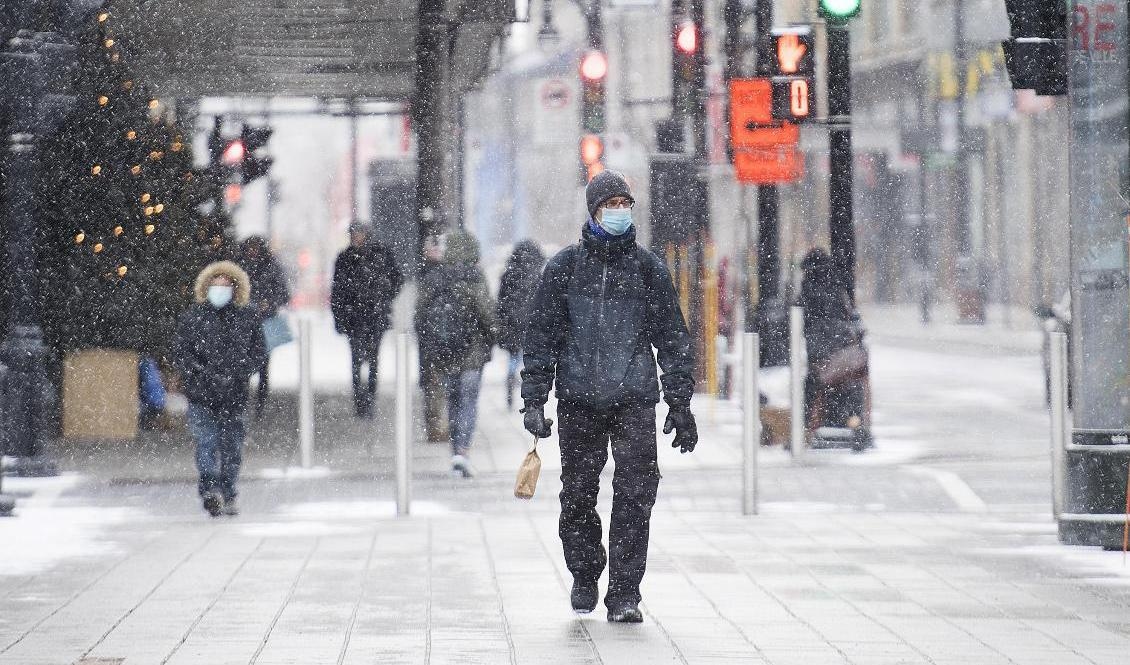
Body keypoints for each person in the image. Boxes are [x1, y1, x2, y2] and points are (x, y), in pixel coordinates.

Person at [520, 170, 697, 623]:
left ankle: (624, 592)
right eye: (610, 204)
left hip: (634, 400)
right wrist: (535, 400)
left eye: (625, 203)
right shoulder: (563, 269)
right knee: (578, 495)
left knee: (636, 493)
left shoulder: (647, 269)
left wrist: (679, 403)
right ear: (594, 211)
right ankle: (584, 572)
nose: (619, 211)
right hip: (579, 401)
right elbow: (541, 338)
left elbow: (672, 338)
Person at [174, 261, 266, 517]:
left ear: (235, 288)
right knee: (206, 442)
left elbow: (258, 352)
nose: (220, 289)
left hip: (234, 395)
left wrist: (239, 372)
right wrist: (199, 374)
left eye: (226, 285)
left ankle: (228, 492)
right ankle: (210, 489)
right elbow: (182, 353)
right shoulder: (194, 317)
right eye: (216, 284)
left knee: (231, 447)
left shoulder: (247, 317)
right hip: (201, 394)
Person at [415, 231, 498, 478]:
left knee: (452, 401)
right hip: (472, 354)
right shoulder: (475, 278)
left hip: (444, 353)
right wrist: (494, 334)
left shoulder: (435, 277)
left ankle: (455, 453)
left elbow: (419, 315)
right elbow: (487, 314)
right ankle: (463, 451)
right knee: (468, 402)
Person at [798, 248, 871, 449]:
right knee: (851, 388)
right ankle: (856, 425)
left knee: (811, 387)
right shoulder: (838, 284)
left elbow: (802, 319)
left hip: (823, 352)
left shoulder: (809, 286)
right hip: (845, 350)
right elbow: (851, 316)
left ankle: (805, 429)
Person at [331, 222, 404, 417]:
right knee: (356, 360)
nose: (356, 237)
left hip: (375, 315)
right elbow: (337, 290)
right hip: (354, 317)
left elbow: (397, 279)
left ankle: (370, 398)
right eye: (354, 234)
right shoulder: (345, 258)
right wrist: (339, 316)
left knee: (373, 359)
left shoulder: (381, 254)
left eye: (359, 233)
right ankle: (359, 401)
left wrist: (384, 296)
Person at [237, 235, 290, 416]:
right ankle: (243, 400)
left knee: (263, 365)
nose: (252, 251)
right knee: (242, 363)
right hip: (243, 323)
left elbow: (283, 293)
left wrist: (269, 302)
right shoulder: (239, 267)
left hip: (265, 323)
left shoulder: (271, 267)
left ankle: (260, 402)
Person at [496, 240, 546, 409]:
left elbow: (501, 303)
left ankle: (510, 380)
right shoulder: (538, 276)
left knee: (513, 357)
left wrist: (503, 322)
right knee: (530, 361)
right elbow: (543, 304)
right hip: (531, 325)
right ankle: (530, 395)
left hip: (513, 325)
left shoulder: (508, 275)